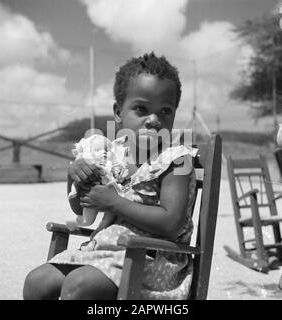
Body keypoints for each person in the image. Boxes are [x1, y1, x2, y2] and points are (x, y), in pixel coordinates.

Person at [23, 52, 197, 300]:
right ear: (118, 112)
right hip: (103, 253)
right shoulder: (111, 153)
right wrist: (75, 178)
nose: (154, 120)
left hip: (152, 260)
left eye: (165, 111)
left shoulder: (177, 160)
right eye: (141, 109)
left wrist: (114, 202)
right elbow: (80, 208)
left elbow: (171, 224)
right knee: (37, 282)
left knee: (78, 287)